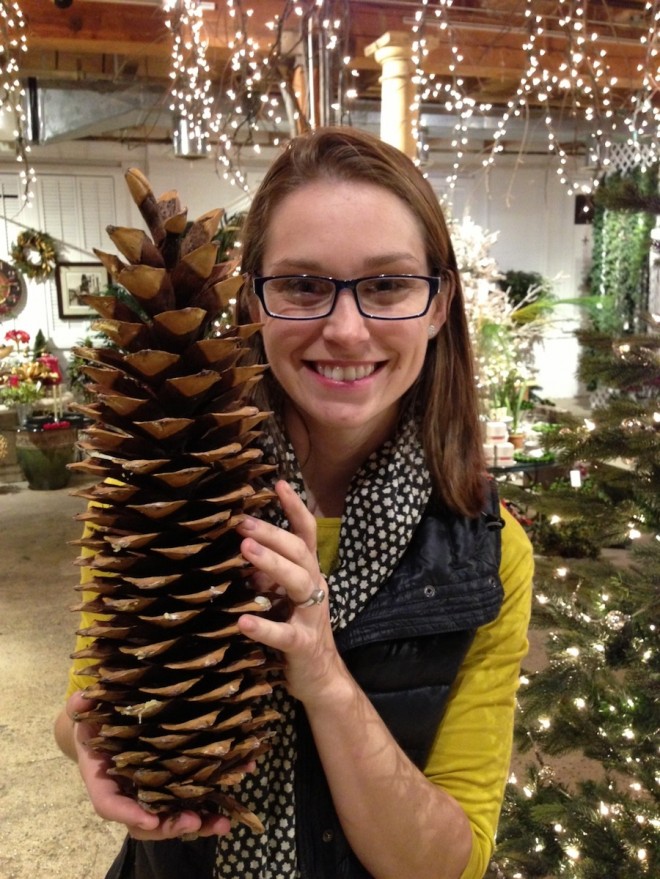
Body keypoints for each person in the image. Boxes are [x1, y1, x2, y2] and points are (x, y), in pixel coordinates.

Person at [54, 126, 533, 879]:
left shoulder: (489, 552)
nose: (345, 329)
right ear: (252, 302)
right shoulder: (157, 490)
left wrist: (323, 674)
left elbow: (444, 863)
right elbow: (87, 698)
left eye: (387, 284)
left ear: (439, 305)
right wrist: (94, 738)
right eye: (304, 285)